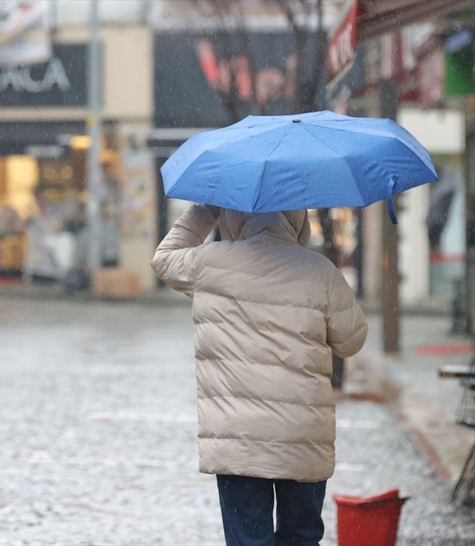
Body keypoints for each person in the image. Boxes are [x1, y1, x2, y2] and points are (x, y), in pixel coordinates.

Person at [151, 204, 368, 546]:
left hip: (238, 438)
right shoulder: (319, 271)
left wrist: (207, 210)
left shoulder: (211, 262)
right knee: (300, 538)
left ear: (232, 215)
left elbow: (164, 259)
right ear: (298, 219)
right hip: (302, 434)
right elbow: (351, 340)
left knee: (249, 540)